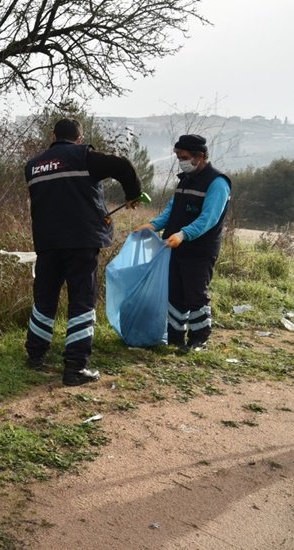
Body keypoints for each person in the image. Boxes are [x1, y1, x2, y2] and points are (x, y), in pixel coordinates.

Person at [24, 118, 142, 386]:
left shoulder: (33, 166)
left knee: (44, 298)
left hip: (47, 243)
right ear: (79, 138)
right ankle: (75, 368)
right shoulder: (83, 156)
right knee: (81, 301)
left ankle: (35, 356)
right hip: (80, 242)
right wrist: (133, 194)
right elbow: (123, 165)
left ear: (53, 136)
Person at [134, 134, 231, 352]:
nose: (181, 161)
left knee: (195, 294)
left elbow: (209, 218)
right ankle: (175, 337)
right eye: (178, 157)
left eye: (184, 157)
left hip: (199, 250)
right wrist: (153, 225)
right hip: (174, 246)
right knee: (174, 292)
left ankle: (199, 340)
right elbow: (172, 209)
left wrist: (183, 234)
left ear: (200, 156)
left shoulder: (217, 182)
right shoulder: (185, 180)